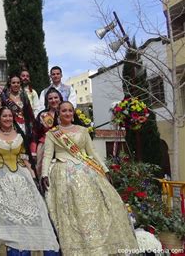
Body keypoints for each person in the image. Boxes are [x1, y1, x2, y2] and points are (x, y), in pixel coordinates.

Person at [41, 101, 138, 255]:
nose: (67, 113)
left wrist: (105, 170)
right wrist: (44, 174)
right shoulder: (52, 134)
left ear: (73, 113)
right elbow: (47, 156)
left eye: (70, 111)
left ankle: (100, 244)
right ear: (58, 113)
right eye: (64, 111)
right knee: (71, 211)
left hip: (86, 170)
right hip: (62, 172)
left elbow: (92, 152)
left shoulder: (83, 130)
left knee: (95, 207)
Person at [0, 107, 59, 255]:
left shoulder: (20, 135)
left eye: (9, 116)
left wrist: (33, 177)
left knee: (32, 208)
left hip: (21, 174)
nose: (7, 118)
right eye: (4, 116)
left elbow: (26, 158)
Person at [2, 75, 37, 158]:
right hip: (10, 126)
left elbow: (29, 112)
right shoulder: (5, 97)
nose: (16, 84)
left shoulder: (24, 96)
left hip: (24, 126)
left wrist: (32, 125)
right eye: (13, 82)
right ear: (9, 83)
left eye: (18, 83)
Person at [34, 88, 63, 177]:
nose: (53, 100)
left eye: (56, 97)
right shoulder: (43, 115)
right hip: (45, 146)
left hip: (63, 145)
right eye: (50, 98)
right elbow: (36, 133)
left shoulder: (67, 112)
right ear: (47, 101)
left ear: (60, 98)